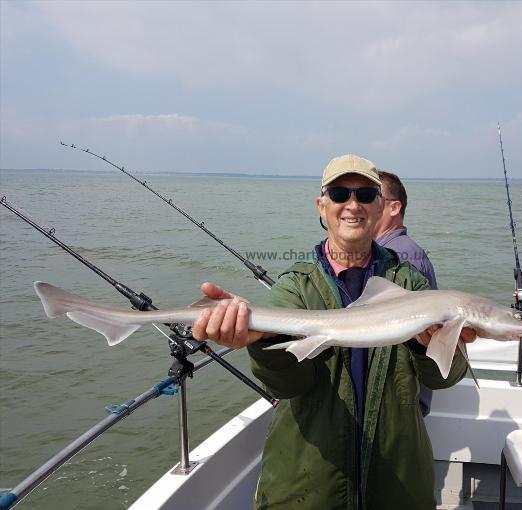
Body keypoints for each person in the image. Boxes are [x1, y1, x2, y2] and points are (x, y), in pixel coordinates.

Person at [192, 154, 476, 510]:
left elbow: (444, 378)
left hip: (397, 483)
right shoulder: (295, 287)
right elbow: (286, 385)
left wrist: (429, 346)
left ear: (381, 207)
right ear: (321, 207)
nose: (352, 205)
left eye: (366, 195)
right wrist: (262, 341)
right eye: (340, 194)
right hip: (309, 482)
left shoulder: (410, 283)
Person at [374, 170, 439, 416]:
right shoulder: (391, 251)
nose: (360, 206)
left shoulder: (399, 258)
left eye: (372, 197)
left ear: (394, 208)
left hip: (399, 403)